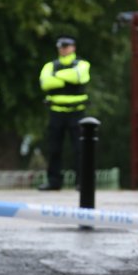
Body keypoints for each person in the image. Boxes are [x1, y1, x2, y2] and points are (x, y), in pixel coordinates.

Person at [38, 36, 91, 190]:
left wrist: (57, 76)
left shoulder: (82, 64)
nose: (63, 49)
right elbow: (45, 83)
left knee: (80, 148)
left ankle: (82, 182)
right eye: (61, 46)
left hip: (77, 112)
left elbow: (79, 77)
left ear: (73, 47)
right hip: (56, 112)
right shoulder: (50, 65)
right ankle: (54, 181)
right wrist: (69, 77)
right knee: (54, 148)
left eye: (66, 46)